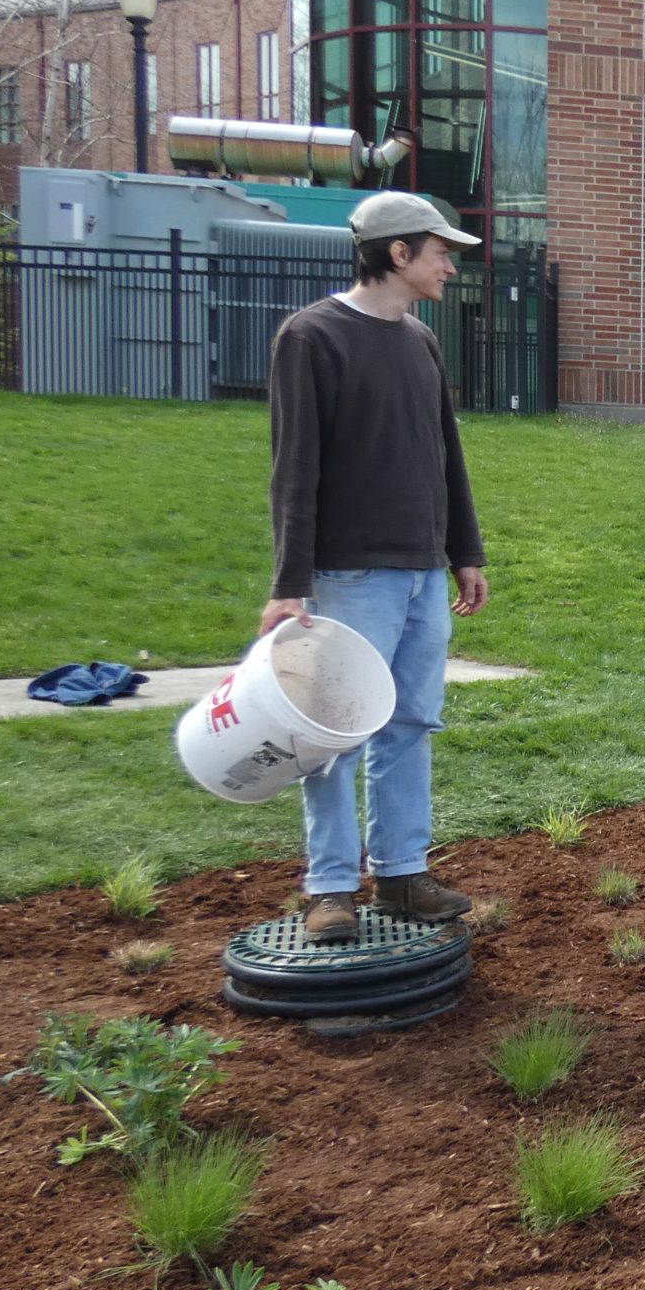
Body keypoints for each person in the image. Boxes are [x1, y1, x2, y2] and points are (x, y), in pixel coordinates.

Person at [259, 191, 489, 944]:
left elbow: (444, 455)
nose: (450, 265)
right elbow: (294, 469)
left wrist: (464, 553)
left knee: (412, 722)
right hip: (349, 576)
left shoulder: (420, 343)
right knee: (333, 732)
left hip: (424, 572)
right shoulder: (312, 338)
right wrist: (290, 585)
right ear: (398, 254)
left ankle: (400, 873)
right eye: (440, 251)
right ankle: (329, 886)